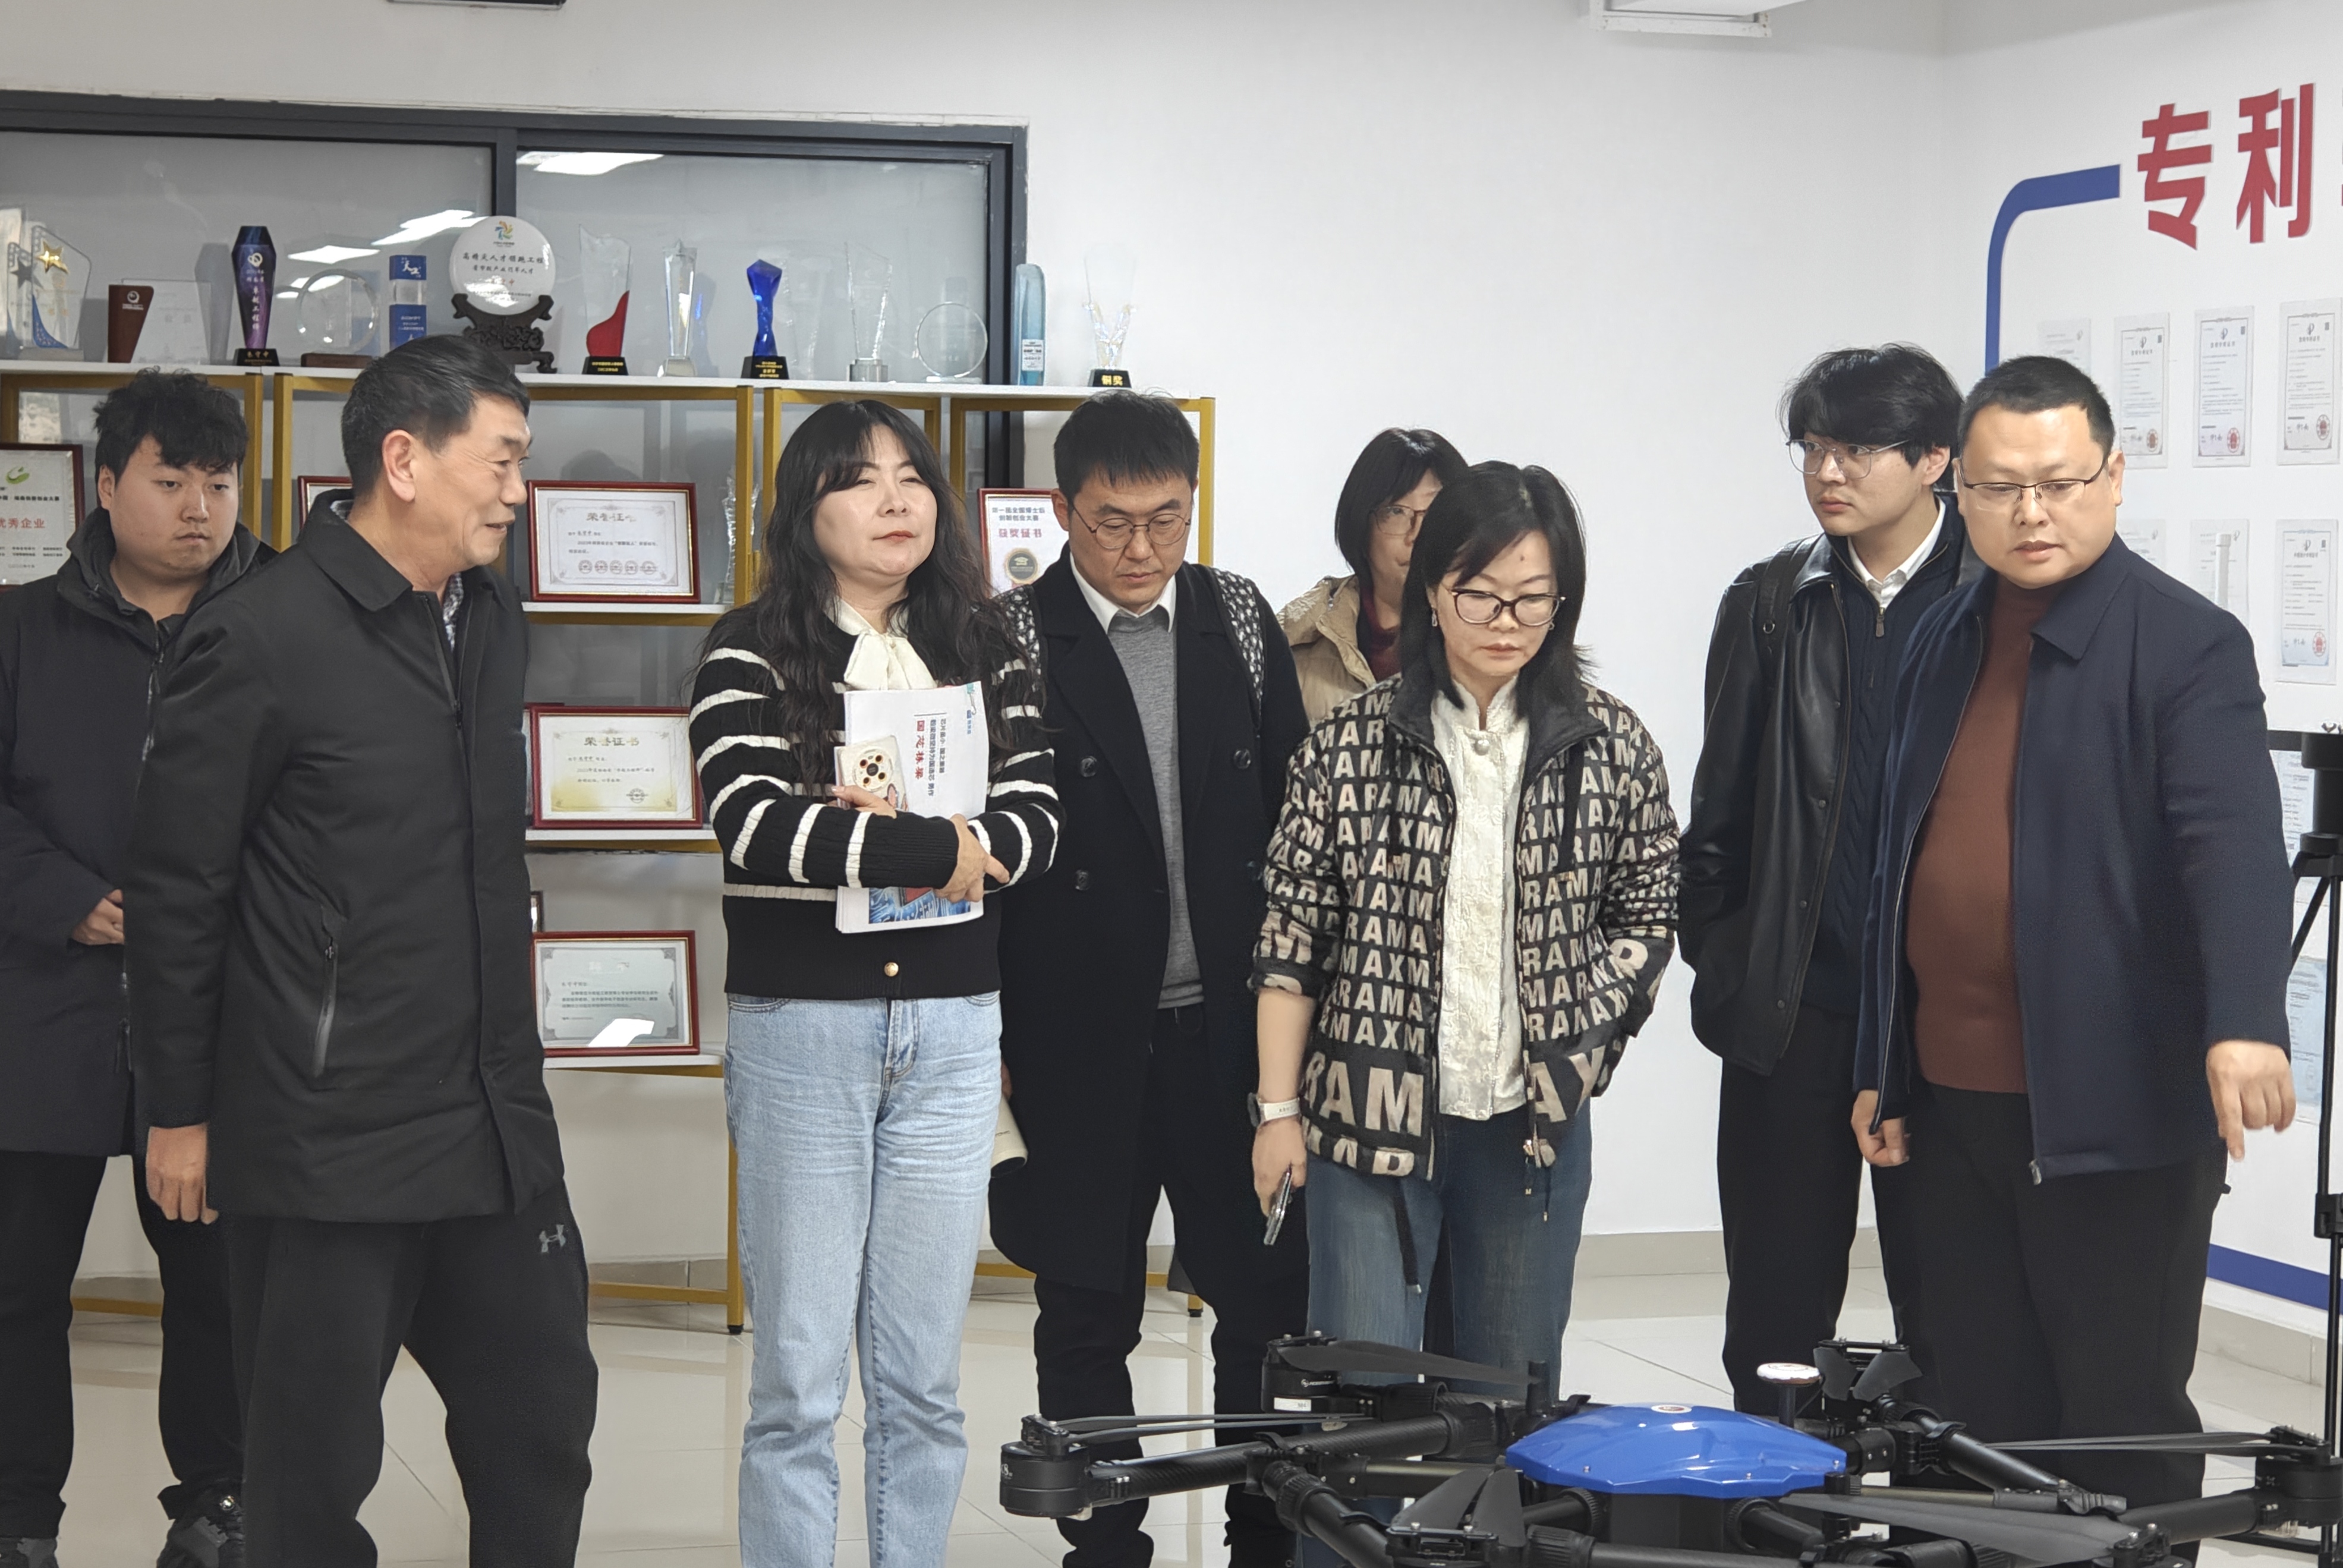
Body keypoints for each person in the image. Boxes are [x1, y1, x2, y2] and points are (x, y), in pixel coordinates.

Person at [125, 337, 597, 1566]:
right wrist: (178, 1107)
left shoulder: (490, 614)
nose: (518, 490)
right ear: (404, 459)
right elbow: (179, 890)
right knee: (309, 1473)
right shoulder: (261, 632)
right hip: (325, 1132)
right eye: (501, 460)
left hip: (492, 1119)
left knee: (543, 1429)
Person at [1854, 355, 2297, 1512]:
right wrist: (1880, 1063)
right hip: (1950, 1108)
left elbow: (2232, 845)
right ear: (1959, 493)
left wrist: (2246, 1020)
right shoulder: (1938, 635)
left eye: (2058, 482)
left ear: (2114, 476)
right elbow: (1897, 863)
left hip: (2112, 1114)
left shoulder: (2184, 642)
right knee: (1975, 1411)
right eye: (2000, 488)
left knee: (2117, 1417)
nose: (2031, 512)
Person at [689, 399, 1060, 1568]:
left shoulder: (987, 644)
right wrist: (944, 845)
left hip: (952, 1029)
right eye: (859, 479)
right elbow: (756, 824)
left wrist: (888, 836)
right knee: (798, 1379)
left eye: (911, 478)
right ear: (805, 510)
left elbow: (1037, 821)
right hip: (803, 1030)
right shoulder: (747, 647)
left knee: (923, 1378)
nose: (896, 500)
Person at [1251, 461, 1678, 1390]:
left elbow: (1647, 912)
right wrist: (1277, 1113)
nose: (1504, 623)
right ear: (1432, 592)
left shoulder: (1610, 746)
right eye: (1477, 595)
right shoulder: (1348, 745)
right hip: (1365, 1119)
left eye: (1532, 599)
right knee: (1364, 1401)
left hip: (1530, 1128)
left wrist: (1580, 1043)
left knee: (1509, 1400)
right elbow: (1291, 941)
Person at [990, 392, 1311, 1568]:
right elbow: (989, 854)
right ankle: (1107, 1543)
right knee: (1085, 1304)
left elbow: (1296, 823)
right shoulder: (1011, 638)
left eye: (1166, 519)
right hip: (1076, 1032)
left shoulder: (1237, 617)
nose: (1140, 549)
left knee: (1264, 1303)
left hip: (1233, 1031)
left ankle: (1263, 1533)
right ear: (1061, 510)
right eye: (1111, 523)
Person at [0, 373, 262, 1568]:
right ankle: (19, 1520)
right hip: (40, 1003)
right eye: (170, 480)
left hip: (221, 1020)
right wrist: (67, 898)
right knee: (17, 1289)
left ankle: (220, 1506)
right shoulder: (20, 629)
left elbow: (328, 799)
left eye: (219, 482)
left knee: (221, 1288)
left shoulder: (285, 623)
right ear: (107, 487)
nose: (198, 506)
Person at [1680, 344, 1970, 1412]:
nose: (1827, 471)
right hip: (1792, 1014)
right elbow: (1717, 819)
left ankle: (1934, 1495)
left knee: (1951, 1309)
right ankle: (1773, 1491)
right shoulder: (1772, 600)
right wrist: (1732, 967)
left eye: (1856, 449)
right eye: (1812, 447)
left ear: (1933, 458)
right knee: (1774, 1311)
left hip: (1938, 1019)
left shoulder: (1990, 596)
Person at [1279, 428, 1467, 724]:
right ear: (1361, 524)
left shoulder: (1491, 639)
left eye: (1435, 514)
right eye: (1397, 512)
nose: (1417, 535)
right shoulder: (1297, 644)